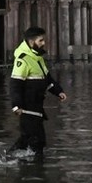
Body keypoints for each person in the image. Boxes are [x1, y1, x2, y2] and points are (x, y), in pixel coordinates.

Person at [9, 26, 67, 162]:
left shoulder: (37, 58)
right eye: (40, 40)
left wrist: (58, 91)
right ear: (31, 42)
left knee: (27, 138)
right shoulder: (22, 59)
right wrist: (16, 105)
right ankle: (34, 166)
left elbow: (47, 79)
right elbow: (15, 85)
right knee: (37, 140)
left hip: (37, 106)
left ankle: (11, 158)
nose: (43, 43)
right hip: (28, 107)